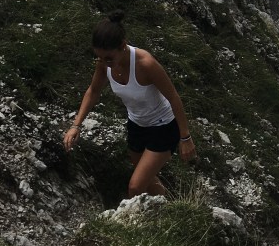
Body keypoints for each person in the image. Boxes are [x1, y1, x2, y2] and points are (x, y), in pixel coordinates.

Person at [63, 10, 196, 197]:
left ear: (123, 46)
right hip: (136, 125)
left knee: (135, 186)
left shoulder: (145, 64)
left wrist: (185, 138)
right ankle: (166, 206)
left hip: (164, 127)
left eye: (108, 57)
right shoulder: (104, 63)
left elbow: (173, 96)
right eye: (99, 57)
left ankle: (143, 221)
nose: (104, 62)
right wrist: (76, 125)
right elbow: (93, 91)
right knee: (146, 178)